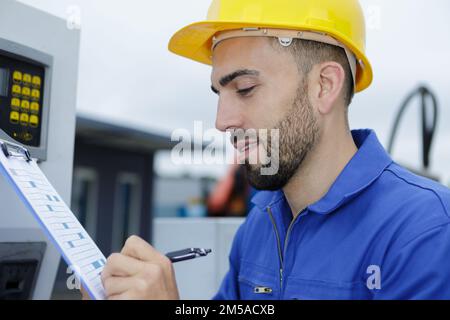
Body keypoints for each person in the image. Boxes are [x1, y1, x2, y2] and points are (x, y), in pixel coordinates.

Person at [84, 0, 450, 299]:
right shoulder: (262, 221)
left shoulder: (424, 231)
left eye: (244, 89)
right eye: (219, 94)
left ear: (324, 86)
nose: (222, 121)